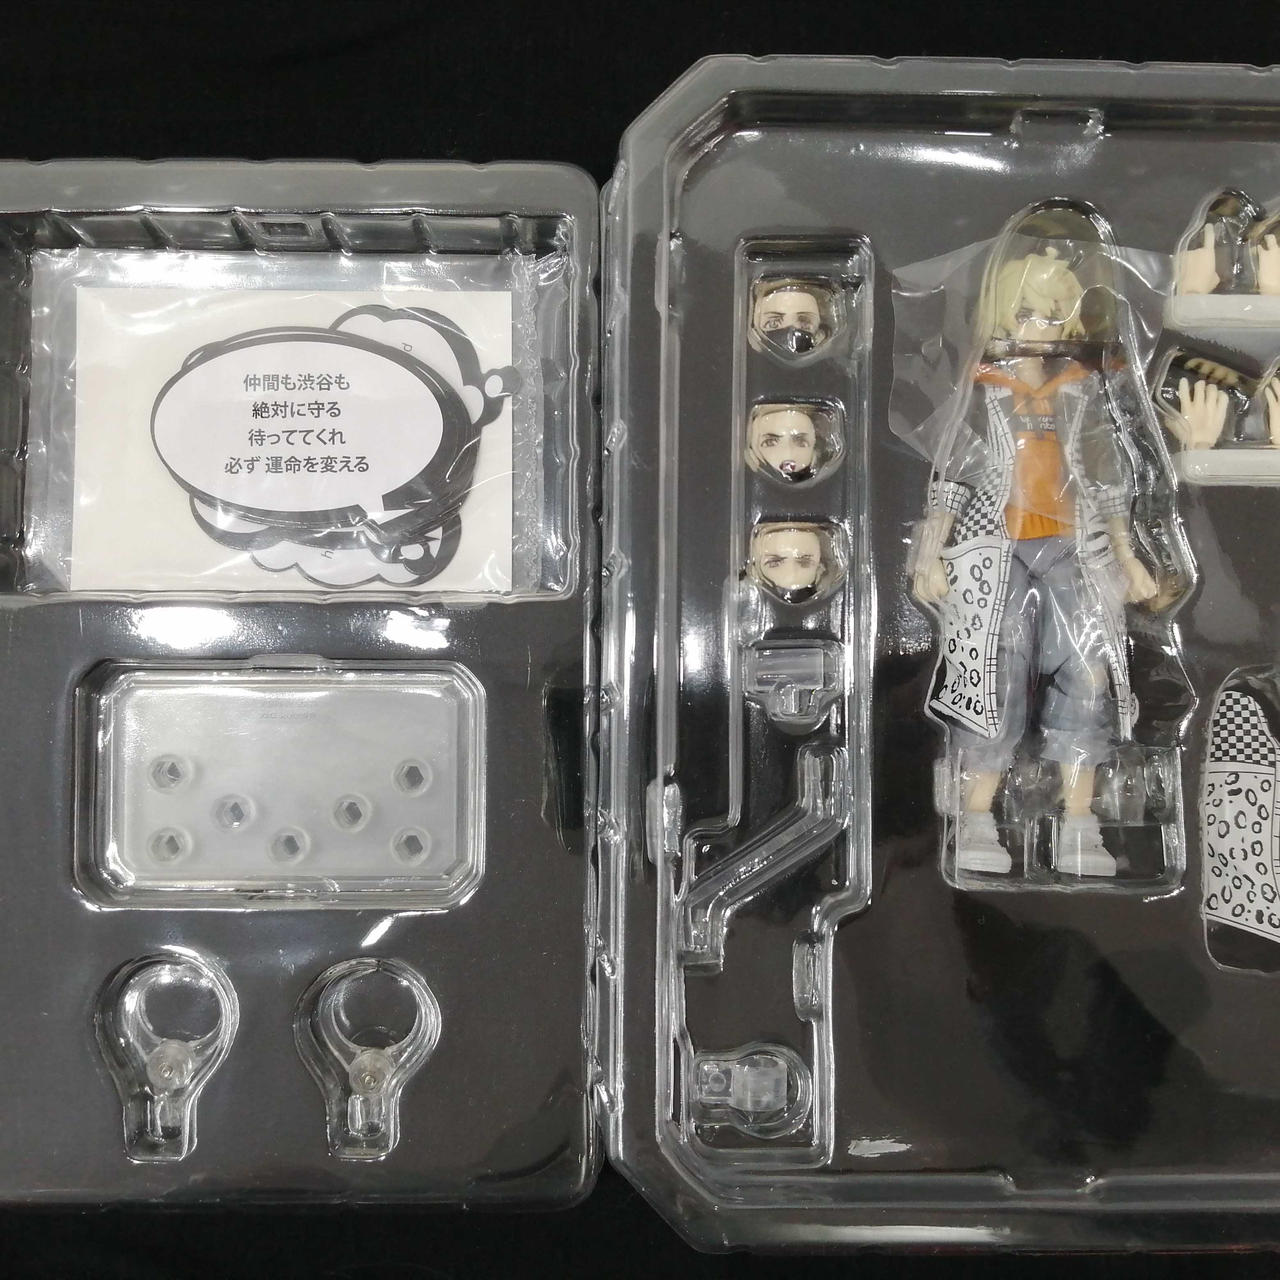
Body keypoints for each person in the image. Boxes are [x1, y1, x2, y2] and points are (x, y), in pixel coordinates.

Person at [912, 202, 1172, 877]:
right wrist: (930, 554)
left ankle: (1080, 823)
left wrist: (1128, 557)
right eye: (1028, 313)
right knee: (993, 675)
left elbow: (1108, 479)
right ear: (1002, 315)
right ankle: (976, 819)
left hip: (1072, 548)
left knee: (1088, 670)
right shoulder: (980, 391)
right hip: (993, 549)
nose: (1041, 327)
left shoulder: (1083, 391)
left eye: (1056, 315)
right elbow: (952, 476)